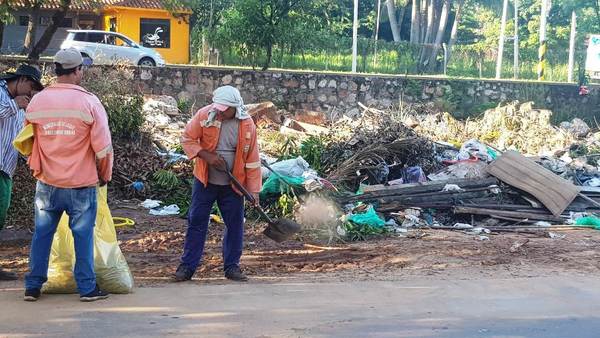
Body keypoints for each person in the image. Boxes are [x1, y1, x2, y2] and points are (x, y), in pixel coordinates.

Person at [23, 48, 113, 302]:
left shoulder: (38, 101)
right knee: (82, 236)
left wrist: (37, 168)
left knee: (42, 235)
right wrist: (104, 175)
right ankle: (87, 288)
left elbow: (26, 140)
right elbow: (103, 148)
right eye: (82, 69)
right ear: (77, 71)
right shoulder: (89, 102)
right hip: (80, 184)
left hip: (47, 184)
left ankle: (32, 286)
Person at [175, 85, 262, 282]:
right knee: (197, 220)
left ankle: (232, 267)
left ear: (235, 108)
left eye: (225, 110)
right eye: (219, 109)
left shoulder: (247, 125)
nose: (220, 113)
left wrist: (254, 190)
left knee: (234, 224)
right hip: (205, 180)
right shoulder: (205, 114)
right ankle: (187, 267)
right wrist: (207, 156)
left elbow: (253, 160)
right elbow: (187, 138)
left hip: (233, 184)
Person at [0, 64, 43, 281]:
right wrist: (13, 104)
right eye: (31, 86)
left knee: (0, 215)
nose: (30, 92)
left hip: (5, 168)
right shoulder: (2, 94)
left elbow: (19, 139)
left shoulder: (19, 107)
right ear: (21, 80)